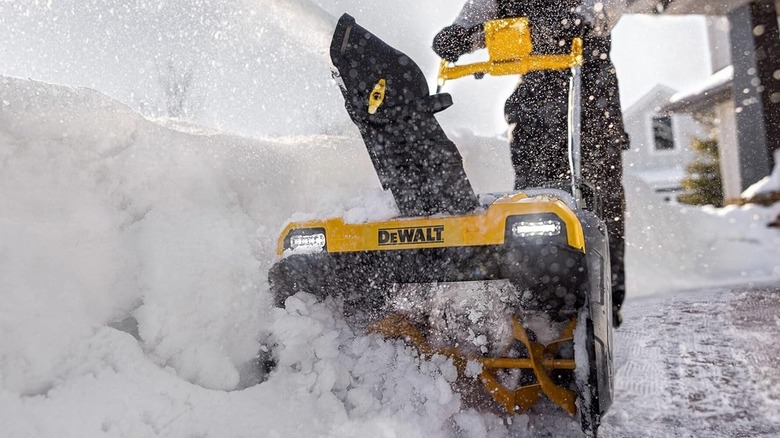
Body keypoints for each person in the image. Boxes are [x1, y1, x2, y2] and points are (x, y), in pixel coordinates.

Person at [433, 0, 628, 327]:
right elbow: (482, 13)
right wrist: (460, 35)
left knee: (598, 197)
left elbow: (612, 5)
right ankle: (537, 291)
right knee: (533, 201)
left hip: (590, 87)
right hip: (537, 92)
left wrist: (588, 17)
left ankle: (604, 291)